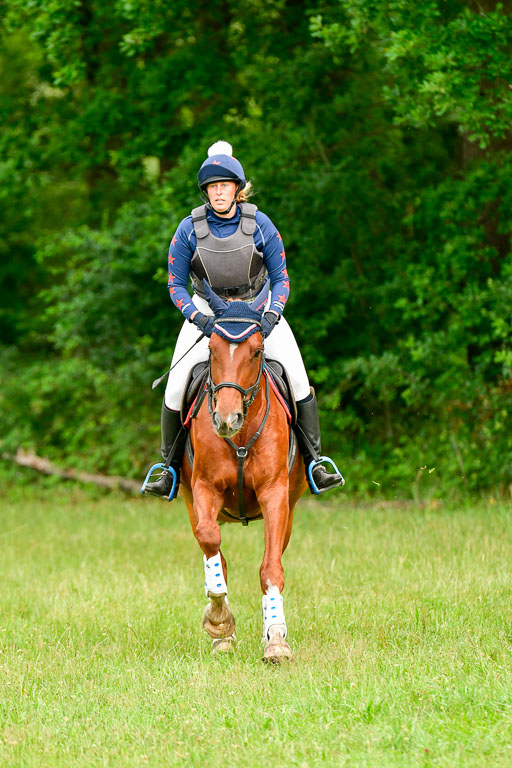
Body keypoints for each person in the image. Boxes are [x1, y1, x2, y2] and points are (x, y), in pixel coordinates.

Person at [144, 141, 343, 498]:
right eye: (212, 187)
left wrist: (272, 314)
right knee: (175, 387)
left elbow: (281, 278)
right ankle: (169, 470)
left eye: (225, 185)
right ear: (206, 191)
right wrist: (197, 319)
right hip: (207, 313)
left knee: (298, 379)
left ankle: (315, 462)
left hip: (257, 309)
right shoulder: (188, 228)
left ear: (237, 189)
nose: (219, 192)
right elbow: (175, 284)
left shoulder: (260, 223)